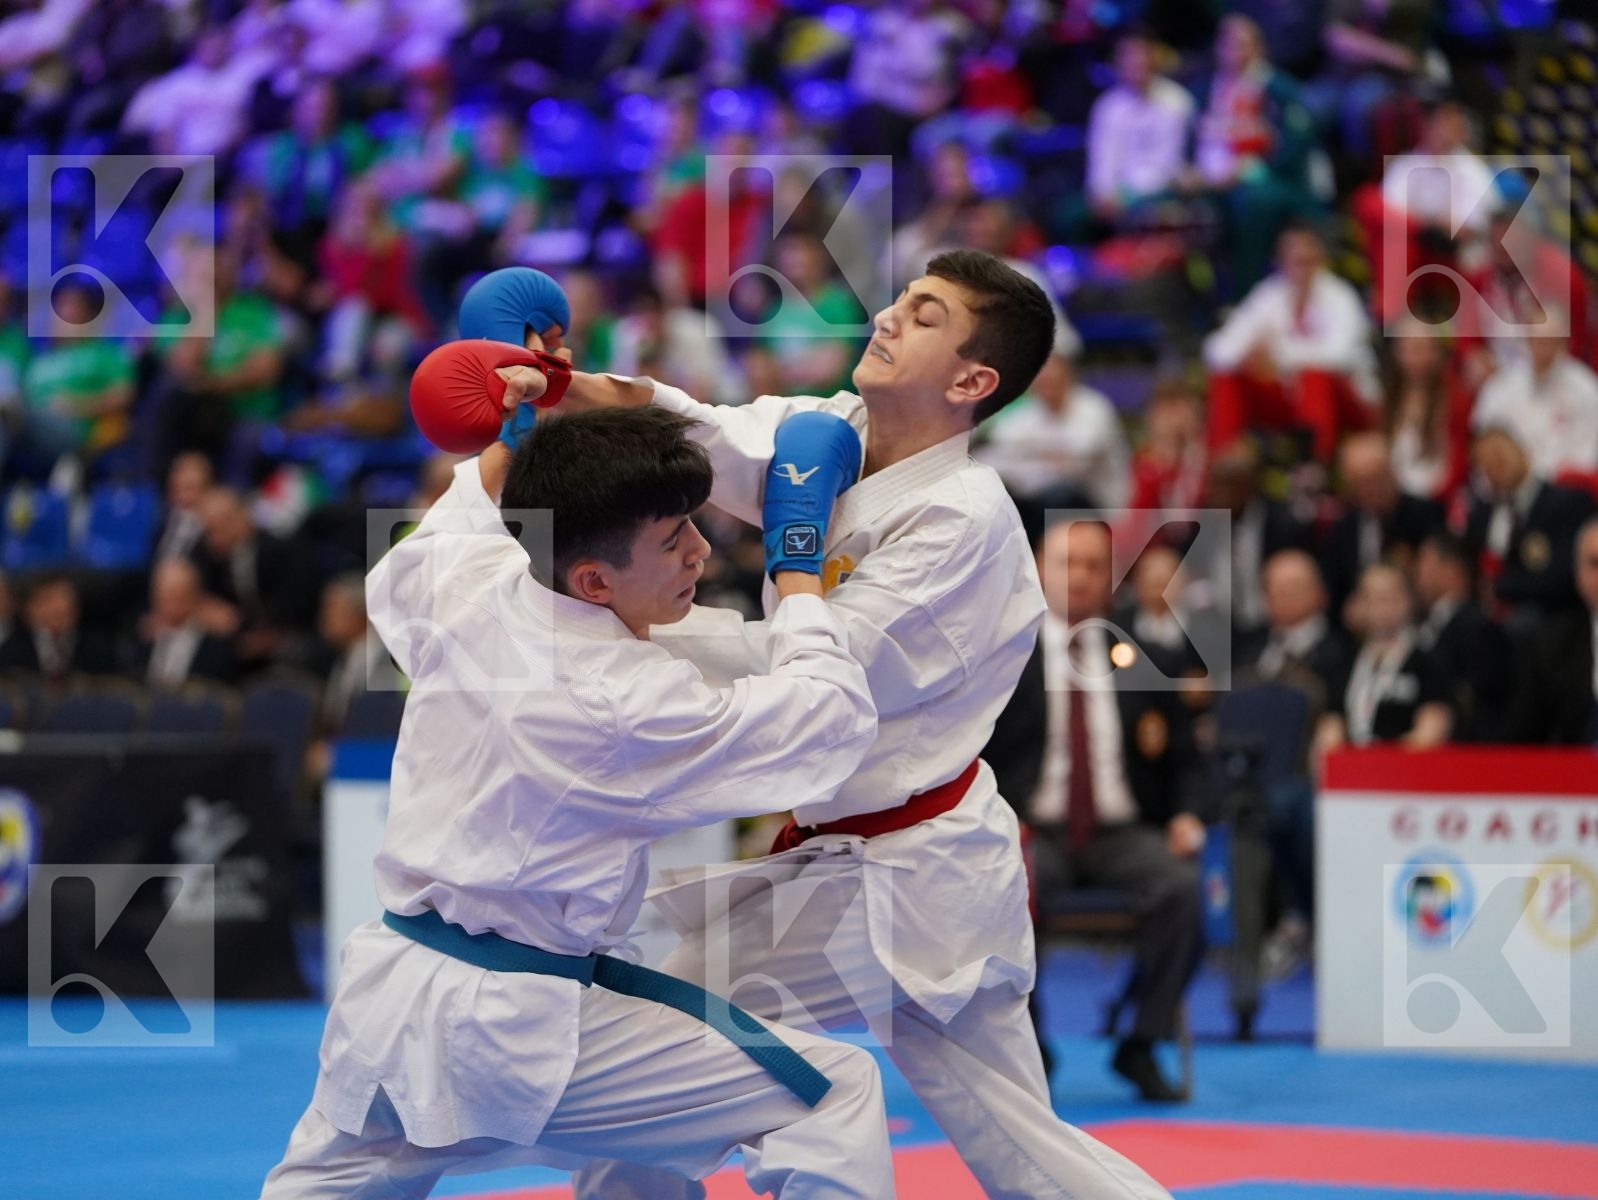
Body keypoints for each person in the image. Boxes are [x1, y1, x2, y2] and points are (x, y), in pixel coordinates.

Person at [548, 249, 1177, 1198]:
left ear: (972, 381)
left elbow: (815, 676)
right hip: (864, 859)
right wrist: (571, 387)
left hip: (910, 878)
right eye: (901, 300)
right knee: (1019, 1147)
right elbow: (714, 439)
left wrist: (635, 647)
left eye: (924, 315)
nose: (886, 316)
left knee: (672, 1046)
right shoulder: (839, 430)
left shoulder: (963, 522)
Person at [260, 353, 895, 1198]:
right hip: (518, 1024)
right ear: (592, 579)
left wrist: (514, 432)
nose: (702, 552)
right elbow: (828, 724)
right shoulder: (623, 702)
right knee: (831, 1092)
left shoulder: (477, 581)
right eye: (673, 542)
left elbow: (460, 523)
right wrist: (799, 568)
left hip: (390, 993)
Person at [986, 520, 1206, 1102]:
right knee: (1010, 890)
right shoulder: (1003, 652)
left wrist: (1187, 814)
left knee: (1181, 890)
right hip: (1033, 830)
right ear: (1038, 569)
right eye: (1067, 562)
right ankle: (1032, 1045)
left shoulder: (1142, 656)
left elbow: (1185, 758)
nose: (1080, 576)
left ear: (1109, 579)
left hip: (1120, 831)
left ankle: (1141, 1041)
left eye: (1092, 565)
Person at [1203, 221, 1378, 463]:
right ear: (1280, 259)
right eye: (1294, 254)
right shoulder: (1268, 295)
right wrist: (1247, 355)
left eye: (1307, 253)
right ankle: (1226, 465)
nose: (1301, 259)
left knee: (1314, 377)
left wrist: (1278, 356)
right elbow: (1217, 349)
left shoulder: (1339, 296)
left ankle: (1316, 467)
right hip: (1288, 400)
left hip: (1343, 400)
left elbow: (1340, 356)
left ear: (1320, 256)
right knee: (1227, 376)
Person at [976, 325, 1132, 510]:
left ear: (1068, 371)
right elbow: (992, 455)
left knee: (1061, 495)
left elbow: (1079, 461)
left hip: (1097, 507)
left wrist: (1028, 454)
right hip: (1037, 507)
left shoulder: (1094, 407)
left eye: (1054, 368)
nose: (1047, 376)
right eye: (1041, 370)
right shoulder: (1024, 413)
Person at [1318, 562, 1452, 751]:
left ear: (1408, 600)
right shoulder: (1346, 661)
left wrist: (1386, 763)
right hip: (1351, 770)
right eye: (1371, 598)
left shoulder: (1427, 659)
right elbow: (1331, 724)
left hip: (1405, 769)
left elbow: (1432, 728)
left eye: (1389, 597)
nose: (1381, 607)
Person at [1471, 330, 1598, 481]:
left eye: (1550, 341)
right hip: (1512, 485)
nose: (1542, 348)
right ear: (1528, 341)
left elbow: (1586, 457)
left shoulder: (1585, 388)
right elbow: (1482, 438)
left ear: (1564, 344)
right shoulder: (1501, 387)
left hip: (1564, 489)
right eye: (1537, 340)